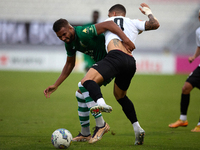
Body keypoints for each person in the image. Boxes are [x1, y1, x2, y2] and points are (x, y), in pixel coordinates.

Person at [43, 18, 135, 143]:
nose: (63, 38)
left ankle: (101, 124)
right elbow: (70, 64)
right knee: (80, 94)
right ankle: (85, 133)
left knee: (83, 85)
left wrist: (126, 40)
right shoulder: (69, 43)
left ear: (70, 28)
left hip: (112, 62)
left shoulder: (83, 32)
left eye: (64, 34)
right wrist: (56, 84)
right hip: (102, 65)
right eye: (60, 37)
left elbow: (109, 24)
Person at [79, 3, 160, 145]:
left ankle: (101, 104)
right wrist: (148, 12)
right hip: (130, 62)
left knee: (86, 80)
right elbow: (155, 24)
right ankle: (137, 127)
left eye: (110, 15)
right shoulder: (134, 23)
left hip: (115, 57)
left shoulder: (107, 22)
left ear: (114, 14)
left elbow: (89, 35)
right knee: (120, 96)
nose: (109, 17)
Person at [168, 10, 200, 132]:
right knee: (186, 88)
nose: (199, 18)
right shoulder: (198, 31)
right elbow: (199, 46)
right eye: (198, 16)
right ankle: (183, 119)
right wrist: (194, 56)